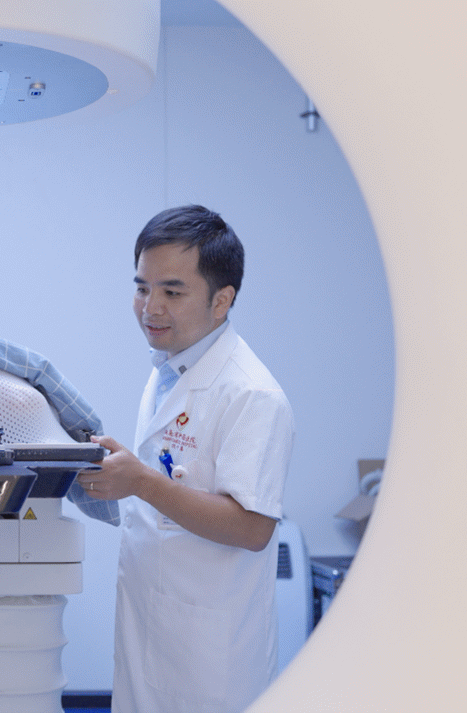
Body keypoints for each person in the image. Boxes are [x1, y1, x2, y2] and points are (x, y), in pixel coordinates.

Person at [77, 205, 295, 713]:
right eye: (142, 288)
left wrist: (142, 482)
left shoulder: (252, 395)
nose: (150, 307)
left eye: (172, 293)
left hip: (209, 662)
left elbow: (253, 528)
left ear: (222, 300)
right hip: (152, 632)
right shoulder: (169, 370)